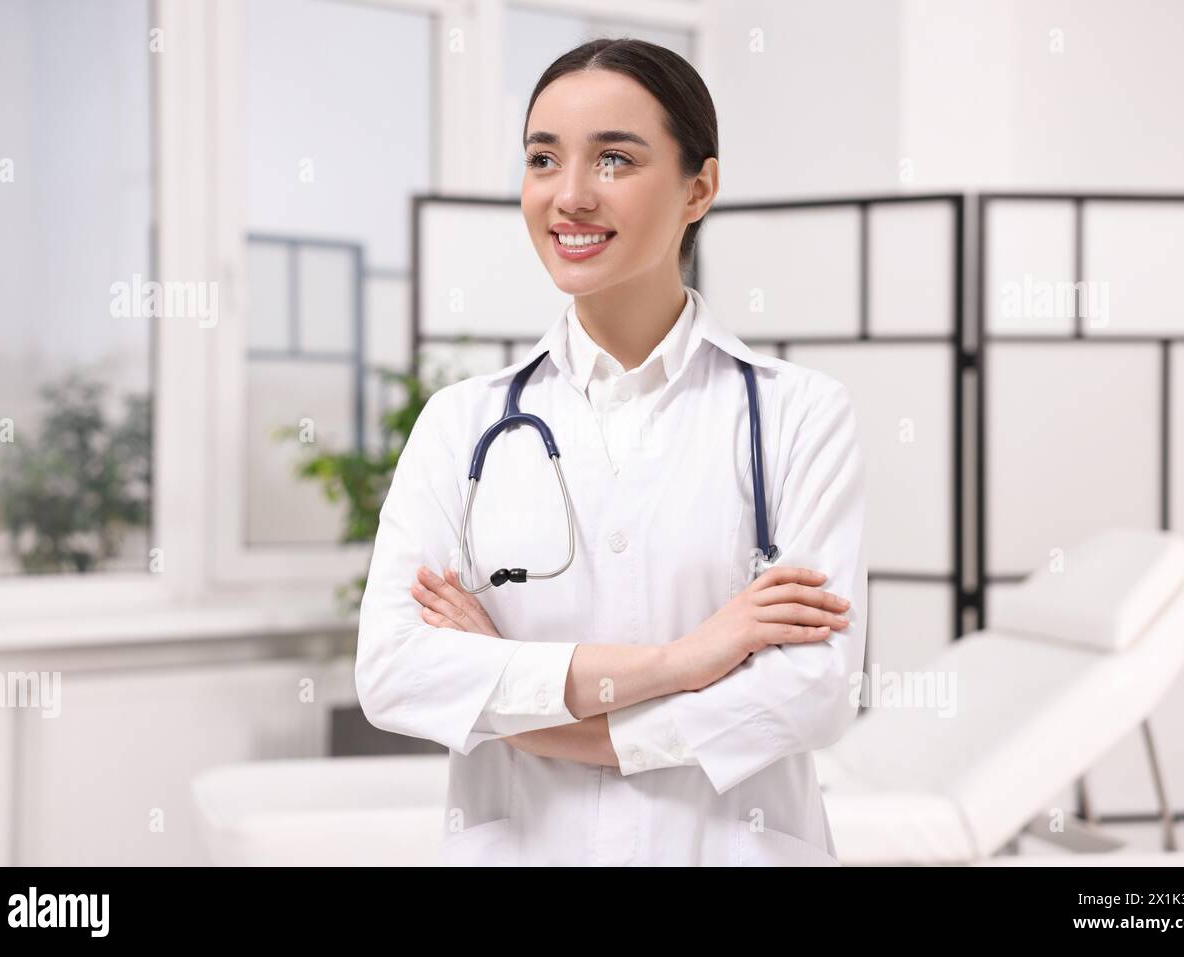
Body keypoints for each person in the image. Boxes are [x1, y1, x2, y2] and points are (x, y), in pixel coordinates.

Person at [355, 37, 867, 866]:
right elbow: (394, 673)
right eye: (543, 158)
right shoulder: (460, 424)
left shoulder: (798, 414)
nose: (569, 196)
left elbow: (812, 693)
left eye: (615, 160)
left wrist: (535, 714)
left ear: (699, 187)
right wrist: (686, 661)